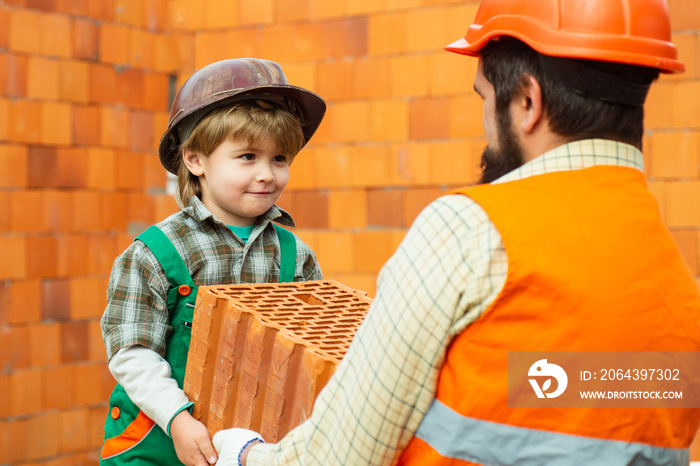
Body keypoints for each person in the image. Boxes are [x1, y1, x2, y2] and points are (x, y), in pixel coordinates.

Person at [212, 0, 700, 465]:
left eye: (484, 98)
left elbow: (339, 456)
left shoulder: (472, 229)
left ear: (527, 101)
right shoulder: (675, 282)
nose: (485, 122)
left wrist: (245, 455)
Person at [98, 58, 326, 466]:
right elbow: (132, 352)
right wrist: (178, 420)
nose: (266, 175)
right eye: (247, 157)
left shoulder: (296, 258)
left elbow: (310, 354)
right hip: (158, 442)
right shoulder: (155, 253)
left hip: (255, 445)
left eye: (279, 159)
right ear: (195, 160)